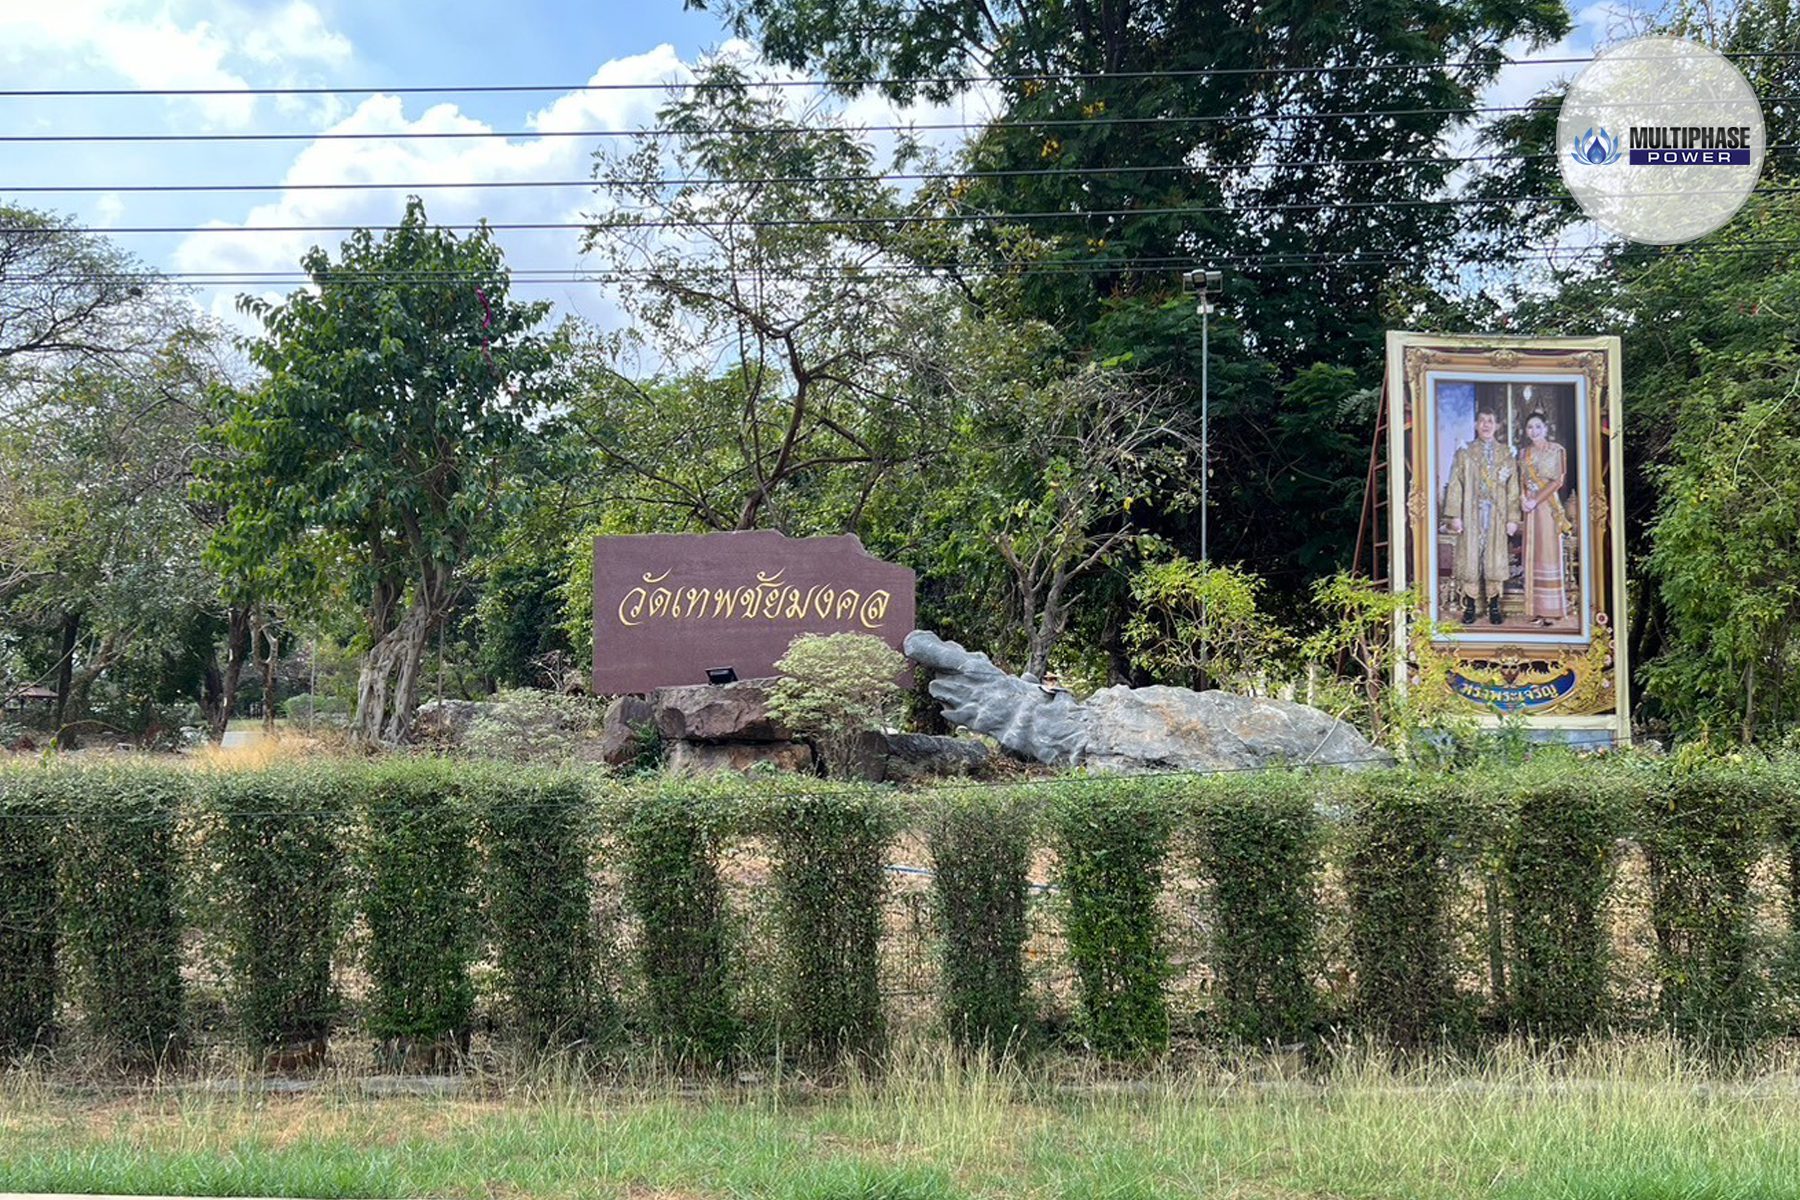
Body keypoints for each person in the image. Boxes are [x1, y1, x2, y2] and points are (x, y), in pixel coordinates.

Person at [1442, 407, 1520, 625]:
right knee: (1471, 558)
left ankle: (1494, 605)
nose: (1486, 425)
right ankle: (1470, 606)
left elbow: (1513, 489)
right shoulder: (1465, 453)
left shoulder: (1506, 454)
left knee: (1494, 558)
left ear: (1497, 426)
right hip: (1471, 513)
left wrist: (1512, 519)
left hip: (1497, 514)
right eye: (1482, 421)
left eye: (1490, 421)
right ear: (1476, 425)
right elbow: (1455, 484)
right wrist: (1455, 515)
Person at [1517, 410, 1572, 627]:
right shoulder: (1523, 453)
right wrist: (1523, 499)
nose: (1534, 431)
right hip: (1530, 509)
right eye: (1530, 427)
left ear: (1546, 428)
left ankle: (1552, 610)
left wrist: (1535, 501)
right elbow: (1521, 480)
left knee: (1548, 553)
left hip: (1547, 507)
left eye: (1538, 426)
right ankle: (1535, 610)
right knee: (1533, 555)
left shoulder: (1556, 450)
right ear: (1526, 430)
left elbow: (1557, 481)